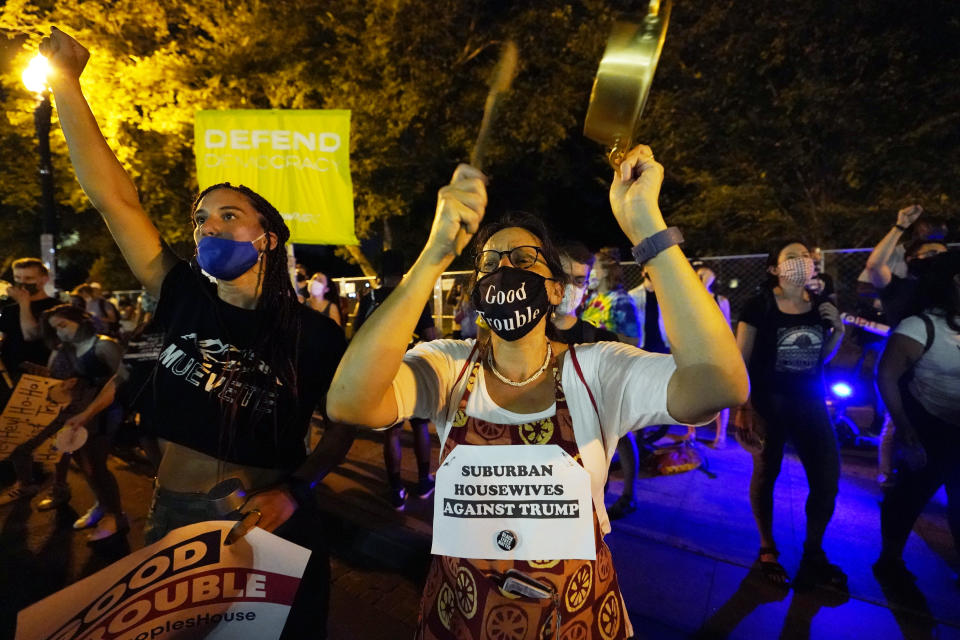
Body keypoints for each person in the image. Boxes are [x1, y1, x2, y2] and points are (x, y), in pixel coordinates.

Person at [328, 145, 748, 639]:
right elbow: (349, 402)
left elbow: (720, 382)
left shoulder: (597, 370)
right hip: (463, 621)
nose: (505, 268)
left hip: (576, 620)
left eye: (525, 259)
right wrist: (436, 253)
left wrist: (645, 226)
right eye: (490, 261)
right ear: (478, 288)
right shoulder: (448, 365)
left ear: (554, 289)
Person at [41, 27, 353, 639]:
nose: (207, 227)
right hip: (169, 515)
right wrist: (68, 88)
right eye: (199, 218)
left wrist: (295, 490)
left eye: (228, 216)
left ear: (268, 238)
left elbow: (347, 427)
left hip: (253, 519)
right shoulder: (180, 292)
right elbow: (115, 201)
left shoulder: (312, 335)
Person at [736, 240, 847, 590]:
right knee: (767, 472)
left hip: (810, 404)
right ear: (774, 269)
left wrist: (838, 332)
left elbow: (820, 358)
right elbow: (741, 362)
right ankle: (767, 547)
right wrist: (744, 408)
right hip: (770, 405)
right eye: (792, 257)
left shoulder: (820, 306)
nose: (803, 261)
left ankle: (813, 550)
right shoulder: (759, 306)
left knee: (827, 480)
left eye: (806, 256)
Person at [873, 251, 960, 584]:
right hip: (930, 428)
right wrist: (905, 426)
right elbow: (887, 376)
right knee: (910, 497)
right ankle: (890, 560)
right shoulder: (920, 325)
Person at [355, 249, 437, 509]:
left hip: (382, 372)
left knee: (392, 432)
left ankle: (396, 489)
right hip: (412, 371)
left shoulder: (369, 299)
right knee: (421, 426)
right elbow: (432, 337)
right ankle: (424, 481)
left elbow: (357, 336)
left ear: (380, 271)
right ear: (403, 271)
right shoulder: (413, 297)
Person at [688, 260, 731, 447]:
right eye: (698, 273)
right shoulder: (688, 299)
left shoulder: (720, 300)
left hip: (716, 351)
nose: (701, 276)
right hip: (694, 351)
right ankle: (691, 433)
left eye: (706, 273)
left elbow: (727, 327)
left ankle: (720, 435)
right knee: (693, 394)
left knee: (719, 396)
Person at [0, 258, 60, 382]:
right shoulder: (9, 309)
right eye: (17, 278)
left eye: (28, 279)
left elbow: (31, 335)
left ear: (44, 280)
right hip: (10, 374)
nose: (22, 283)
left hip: (39, 374)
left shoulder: (56, 308)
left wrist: (24, 303)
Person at [551, 242, 618, 344]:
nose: (569, 287)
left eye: (579, 281)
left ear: (586, 286)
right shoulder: (528, 335)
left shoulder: (601, 341)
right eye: (563, 278)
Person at [582, 248, 640, 345]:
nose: (587, 271)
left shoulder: (621, 300)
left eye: (592, 267)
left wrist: (602, 337)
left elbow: (633, 341)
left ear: (605, 272)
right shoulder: (591, 298)